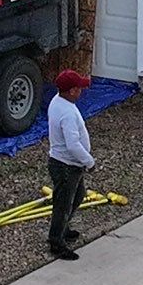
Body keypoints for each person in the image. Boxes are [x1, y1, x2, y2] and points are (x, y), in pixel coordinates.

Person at [45, 67, 94, 260]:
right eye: (79, 87)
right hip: (67, 166)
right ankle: (56, 242)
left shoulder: (57, 102)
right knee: (63, 205)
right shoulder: (67, 113)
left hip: (65, 163)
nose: (81, 91)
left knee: (78, 195)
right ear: (72, 90)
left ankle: (63, 229)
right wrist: (89, 161)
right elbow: (73, 145)